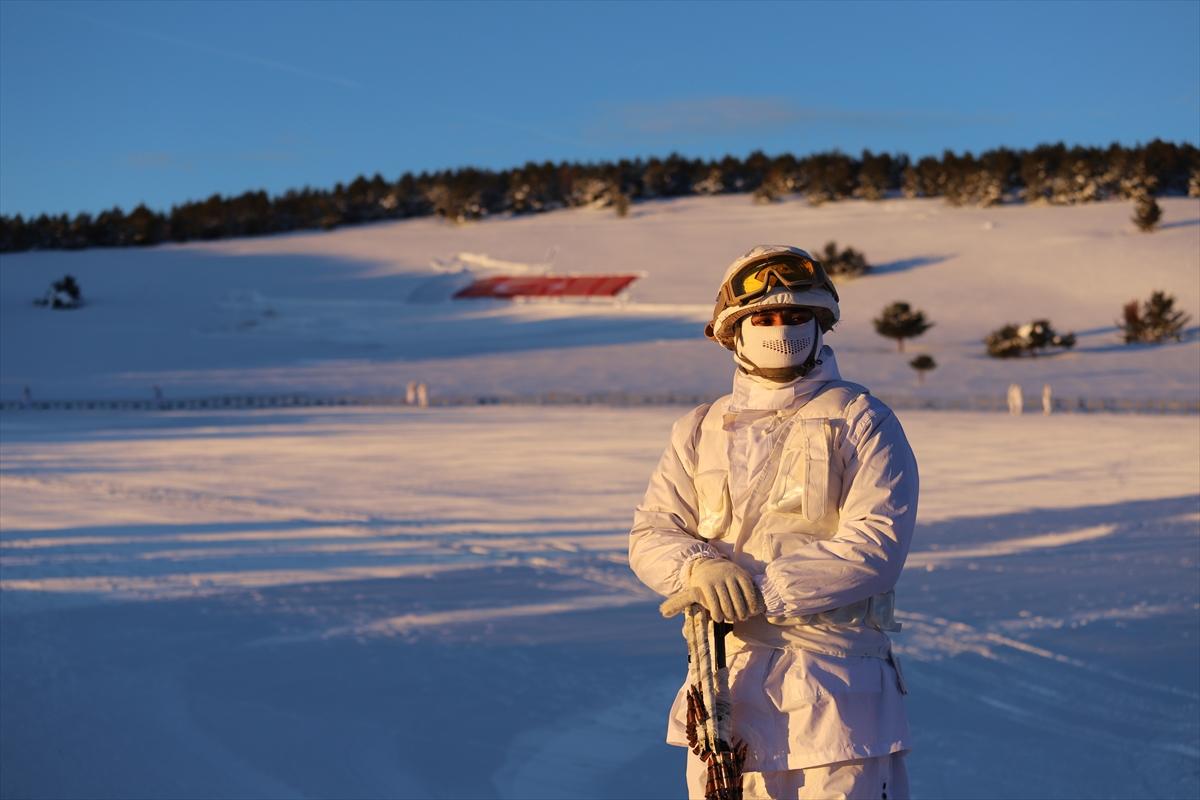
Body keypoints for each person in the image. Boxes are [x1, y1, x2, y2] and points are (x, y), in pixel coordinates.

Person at [629, 245, 919, 799]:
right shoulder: (698, 428)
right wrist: (698, 569)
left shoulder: (863, 420)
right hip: (723, 700)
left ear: (820, 324)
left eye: (795, 316)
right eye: (763, 317)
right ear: (733, 330)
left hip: (839, 701)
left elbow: (875, 546)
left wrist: (757, 591)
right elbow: (652, 532)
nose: (779, 328)